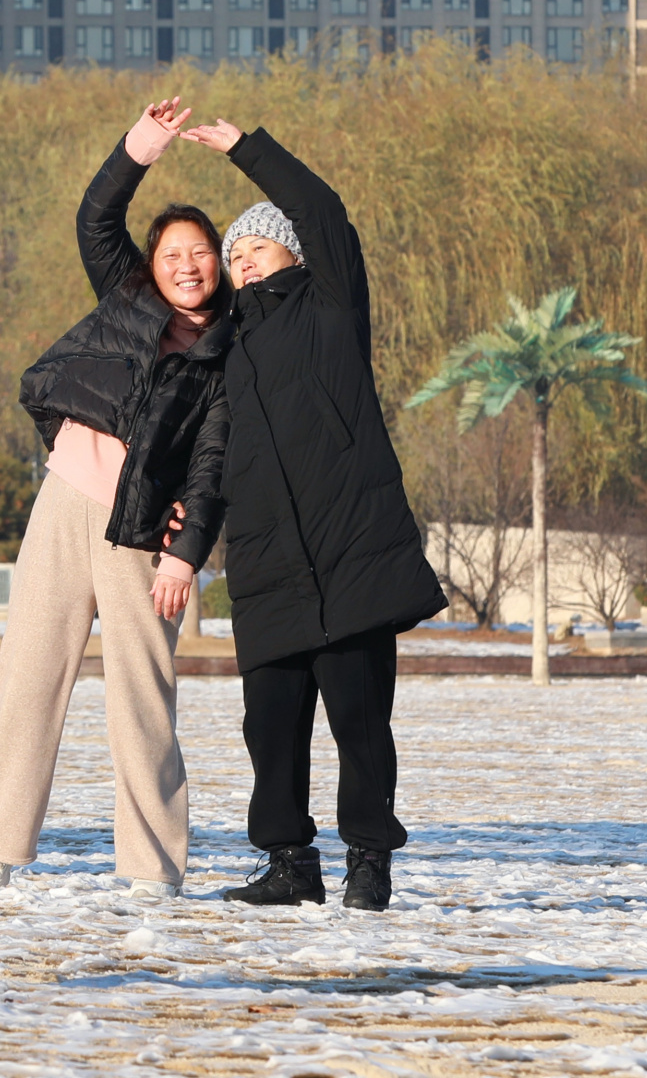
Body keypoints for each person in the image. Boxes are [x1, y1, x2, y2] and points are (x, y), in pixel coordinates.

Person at [0, 98, 232, 898]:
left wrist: (185, 553)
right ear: (150, 267)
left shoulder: (227, 352)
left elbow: (214, 462)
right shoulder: (126, 301)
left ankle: (151, 867)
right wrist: (143, 143)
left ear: (219, 264)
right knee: (27, 676)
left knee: (140, 696)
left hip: (143, 535)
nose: (187, 265)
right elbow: (95, 215)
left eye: (201, 254)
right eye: (172, 253)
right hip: (65, 502)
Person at [181, 118, 447, 912]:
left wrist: (245, 151)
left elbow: (323, 209)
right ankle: (288, 862)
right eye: (232, 257)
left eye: (253, 248)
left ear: (292, 252)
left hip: (349, 551)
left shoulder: (331, 306)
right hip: (266, 562)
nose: (240, 262)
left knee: (359, 722)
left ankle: (369, 859)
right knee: (269, 723)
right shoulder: (222, 346)